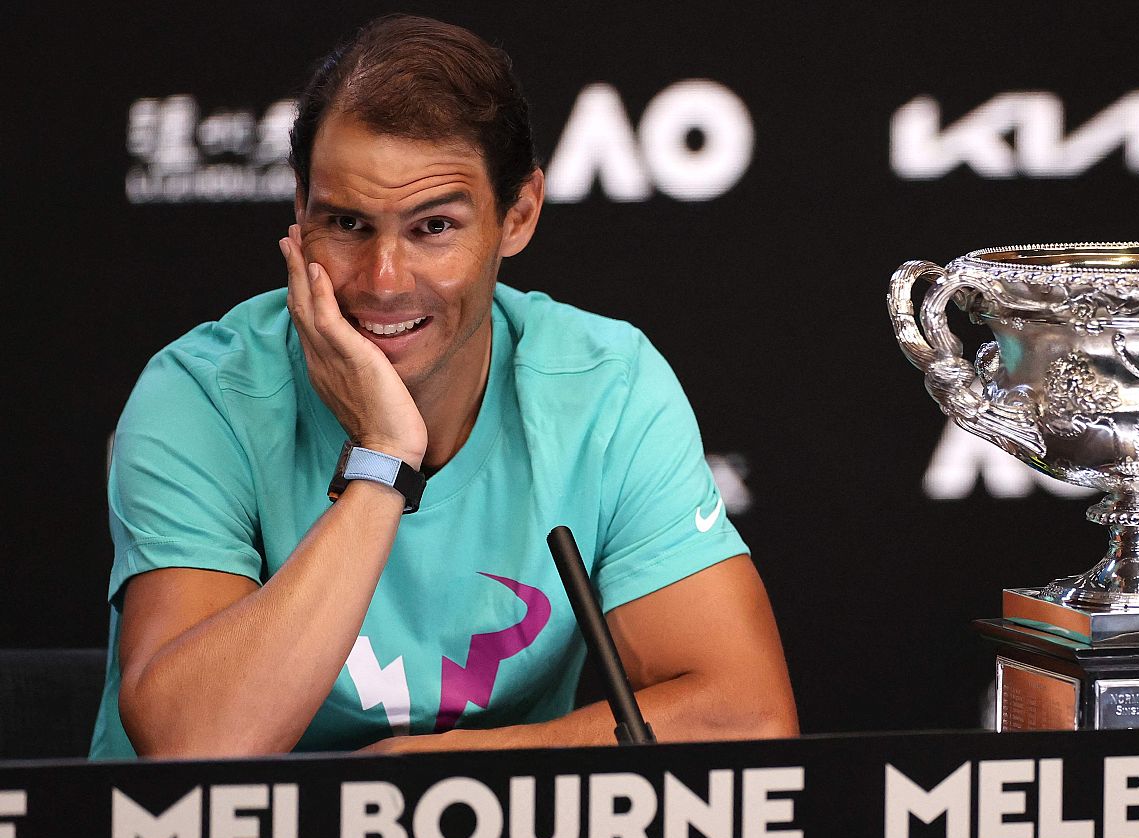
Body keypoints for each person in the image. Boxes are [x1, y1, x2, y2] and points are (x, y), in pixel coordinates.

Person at [89, 14, 798, 757]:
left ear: (517, 216)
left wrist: (434, 776)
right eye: (348, 223)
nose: (384, 281)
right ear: (299, 208)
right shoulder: (201, 395)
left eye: (433, 227)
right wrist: (385, 457)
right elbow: (192, 751)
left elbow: (744, 718)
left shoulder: (606, 389)